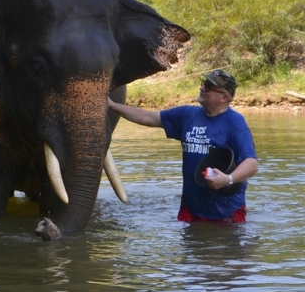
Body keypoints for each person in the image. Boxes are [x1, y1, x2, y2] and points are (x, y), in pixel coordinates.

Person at [108, 69, 258, 222]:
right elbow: (148, 117)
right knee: (190, 245)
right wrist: (112, 105)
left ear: (224, 97)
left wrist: (228, 179)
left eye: (208, 86)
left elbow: (251, 164)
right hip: (190, 208)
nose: (202, 88)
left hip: (226, 211)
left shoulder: (235, 123)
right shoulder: (187, 115)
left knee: (224, 245)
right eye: (203, 83)